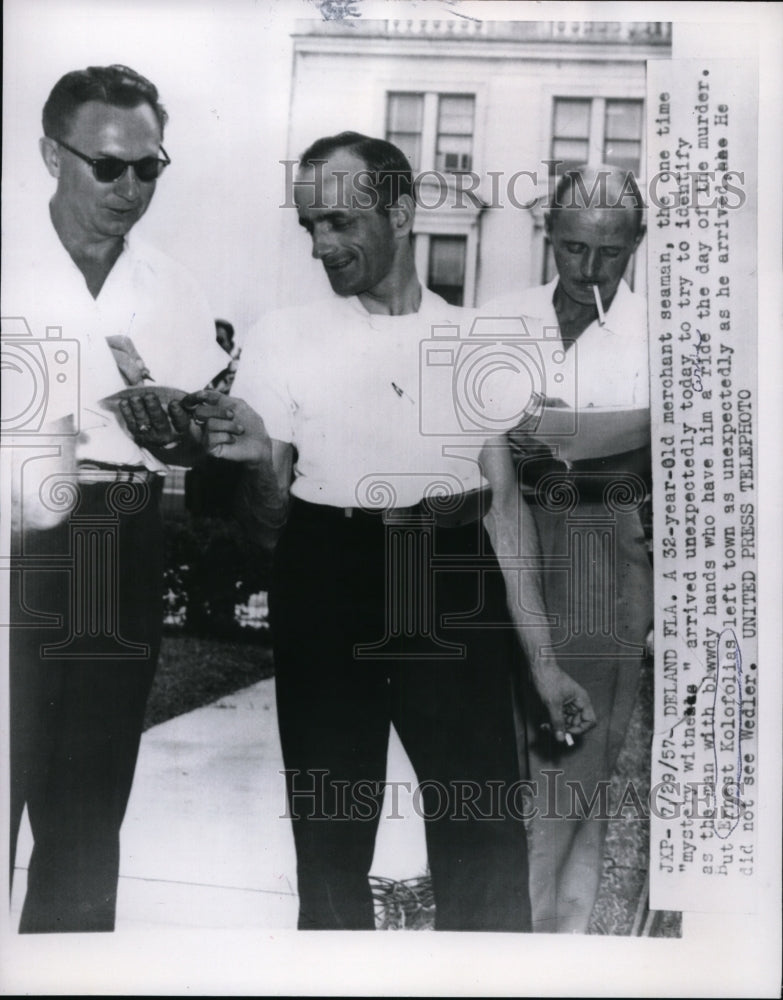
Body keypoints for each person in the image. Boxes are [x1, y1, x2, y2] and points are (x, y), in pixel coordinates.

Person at [184, 132, 594, 931]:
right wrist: (255, 460)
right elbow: (269, 523)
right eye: (310, 227)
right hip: (325, 569)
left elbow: (504, 512)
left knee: (481, 834)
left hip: (448, 572)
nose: (322, 245)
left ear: (402, 211)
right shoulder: (284, 336)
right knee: (330, 842)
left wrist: (545, 668)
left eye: (339, 222)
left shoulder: (475, 340)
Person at [3, 64, 226, 933]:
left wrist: (175, 432)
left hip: (118, 529)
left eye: (149, 168)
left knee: (88, 798)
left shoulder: (172, 287)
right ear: (51, 155)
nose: (130, 188)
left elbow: (190, 446)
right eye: (108, 166)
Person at [486, 164, 653, 933]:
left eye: (610, 253)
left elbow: (665, 455)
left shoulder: (660, 335)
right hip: (502, 542)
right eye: (575, 248)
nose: (590, 270)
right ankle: (498, 931)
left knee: (576, 756)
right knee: (496, 759)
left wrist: (552, 441)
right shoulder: (497, 323)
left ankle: (559, 943)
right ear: (547, 236)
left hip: (598, 550)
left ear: (637, 245)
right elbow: (469, 448)